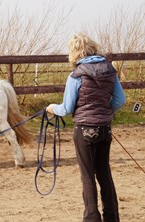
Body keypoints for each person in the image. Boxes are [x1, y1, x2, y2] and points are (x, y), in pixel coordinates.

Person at [46, 33, 125, 222]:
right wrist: (106, 111)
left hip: (84, 130)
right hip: (105, 128)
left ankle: (91, 218)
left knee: (88, 176)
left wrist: (51, 108)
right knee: (104, 172)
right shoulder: (109, 69)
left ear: (74, 51)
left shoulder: (76, 74)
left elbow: (66, 108)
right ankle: (112, 217)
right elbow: (120, 100)